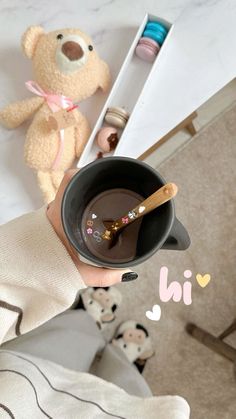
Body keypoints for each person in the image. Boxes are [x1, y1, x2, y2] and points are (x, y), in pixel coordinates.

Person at [0, 170, 190, 418]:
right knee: (127, 386)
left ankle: (88, 319)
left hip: (17, 378)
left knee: (67, 337)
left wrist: (40, 251)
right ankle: (122, 354)